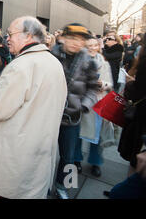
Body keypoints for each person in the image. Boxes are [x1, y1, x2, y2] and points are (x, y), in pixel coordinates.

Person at [0, 16, 67, 199]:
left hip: (11, 161)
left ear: (28, 36)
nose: (6, 38)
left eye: (10, 34)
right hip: (37, 157)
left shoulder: (20, 66)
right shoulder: (54, 62)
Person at [51, 23, 100, 199]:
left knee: (69, 157)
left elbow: (93, 88)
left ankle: (64, 187)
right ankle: (40, 184)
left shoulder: (89, 62)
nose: (76, 43)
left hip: (72, 118)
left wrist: (84, 105)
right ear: (62, 37)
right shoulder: (50, 56)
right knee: (42, 154)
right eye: (72, 38)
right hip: (48, 116)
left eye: (81, 40)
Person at [74, 37, 115, 178]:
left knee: (97, 136)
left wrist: (103, 84)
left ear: (98, 46)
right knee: (78, 134)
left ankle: (95, 162)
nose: (91, 48)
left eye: (94, 45)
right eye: (88, 45)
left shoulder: (105, 64)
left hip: (99, 104)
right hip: (83, 103)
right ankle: (76, 160)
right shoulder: (79, 62)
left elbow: (111, 85)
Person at [118, 32, 146, 177]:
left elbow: (138, 89)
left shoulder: (145, 62)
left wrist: (130, 82)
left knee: (136, 155)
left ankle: (129, 188)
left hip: (141, 115)